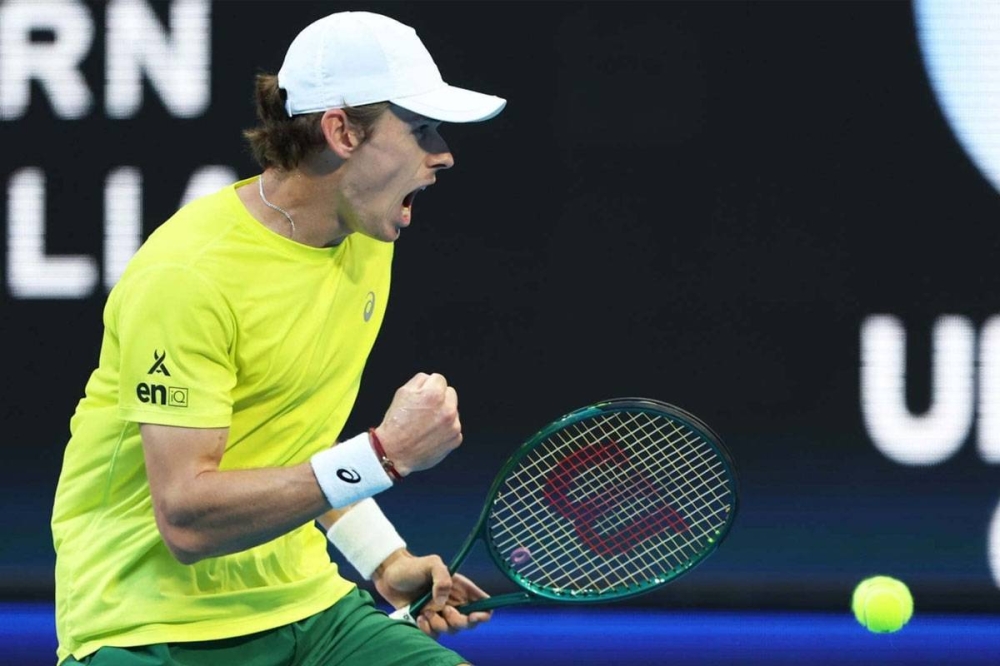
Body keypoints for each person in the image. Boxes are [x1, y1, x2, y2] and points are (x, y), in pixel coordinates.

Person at [51, 10, 506, 666]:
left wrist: (385, 559)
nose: (443, 154)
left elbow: (290, 445)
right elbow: (185, 519)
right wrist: (382, 457)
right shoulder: (190, 275)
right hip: (147, 625)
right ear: (342, 131)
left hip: (308, 607)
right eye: (420, 129)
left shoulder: (366, 238)